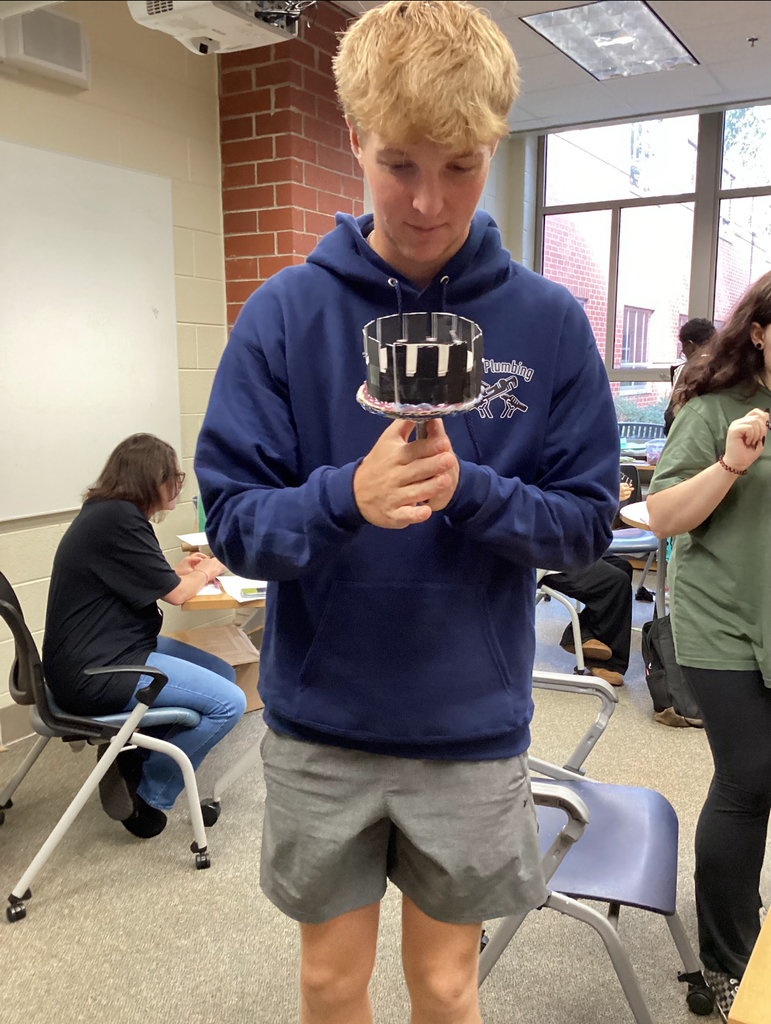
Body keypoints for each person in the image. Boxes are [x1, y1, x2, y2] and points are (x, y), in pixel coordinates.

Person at [195, 3, 619, 1021]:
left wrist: (470, 494)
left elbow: (588, 522)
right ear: (354, 140)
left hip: (469, 728)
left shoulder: (549, 323)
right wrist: (346, 497)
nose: (430, 202)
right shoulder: (285, 313)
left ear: (497, 144)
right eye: (399, 166)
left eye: (461, 166)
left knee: (445, 981)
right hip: (319, 725)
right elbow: (236, 523)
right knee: (330, 982)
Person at [647, 273, 771, 1019]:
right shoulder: (716, 410)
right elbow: (662, 515)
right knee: (749, 776)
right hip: (721, 620)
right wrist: (729, 463)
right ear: (758, 330)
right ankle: (726, 965)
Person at [43, 433, 247, 839]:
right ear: (148, 479)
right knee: (231, 703)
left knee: (222, 673)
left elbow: (160, 580)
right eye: (174, 477)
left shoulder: (108, 514)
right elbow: (177, 594)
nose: (178, 485)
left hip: (103, 652)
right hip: (96, 671)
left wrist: (186, 570)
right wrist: (214, 565)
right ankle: (148, 796)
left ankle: (130, 752)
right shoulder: (118, 519)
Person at [545, 482, 635, 687]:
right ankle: (604, 662)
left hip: (570, 544)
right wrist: (605, 496)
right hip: (548, 554)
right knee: (615, 581)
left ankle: (581, 635)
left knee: (622, 568)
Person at [664, 317, 717, 435]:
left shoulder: (686, 370)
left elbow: (670, 421)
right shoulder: (728, 370)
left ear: (690, 345)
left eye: (683, 350)